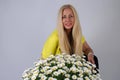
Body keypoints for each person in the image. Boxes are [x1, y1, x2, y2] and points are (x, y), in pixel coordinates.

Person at [41, 4, 98, 68]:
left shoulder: (77, 34)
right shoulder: (54, 37)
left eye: (71, 16)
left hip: (72, 67)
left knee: (94, 59)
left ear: (75, 18)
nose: (68, 19)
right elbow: (44, 63)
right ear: (60, 20)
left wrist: (90, 54)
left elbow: (87, 49)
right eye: (64, 17)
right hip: (59, 70)